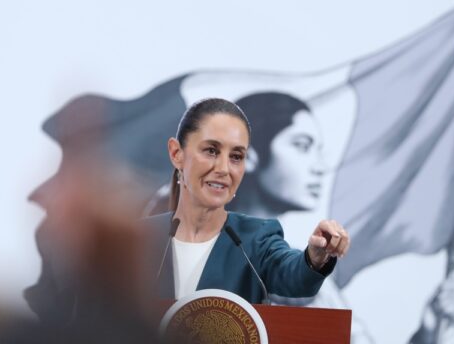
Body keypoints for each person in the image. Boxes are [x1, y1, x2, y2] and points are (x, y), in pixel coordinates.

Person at [146, 97, 350, 304]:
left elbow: (294, 275)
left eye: (236, 156)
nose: (224, 169)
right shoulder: (140, 239)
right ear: (177, 154)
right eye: (211, 151)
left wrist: (314, 259)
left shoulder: (256, 238)